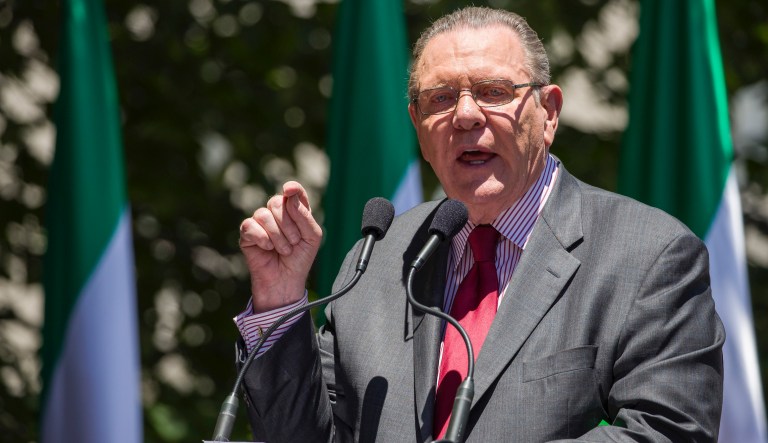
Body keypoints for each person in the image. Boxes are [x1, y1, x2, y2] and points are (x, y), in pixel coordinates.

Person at [234, 6, 724, 442]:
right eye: (441, 99)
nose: (466, 115)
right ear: (418, 128)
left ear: (549, 113)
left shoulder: (649, 254)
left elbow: (665, 431)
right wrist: (279, 301)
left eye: (494, 92)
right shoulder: (379, 257)